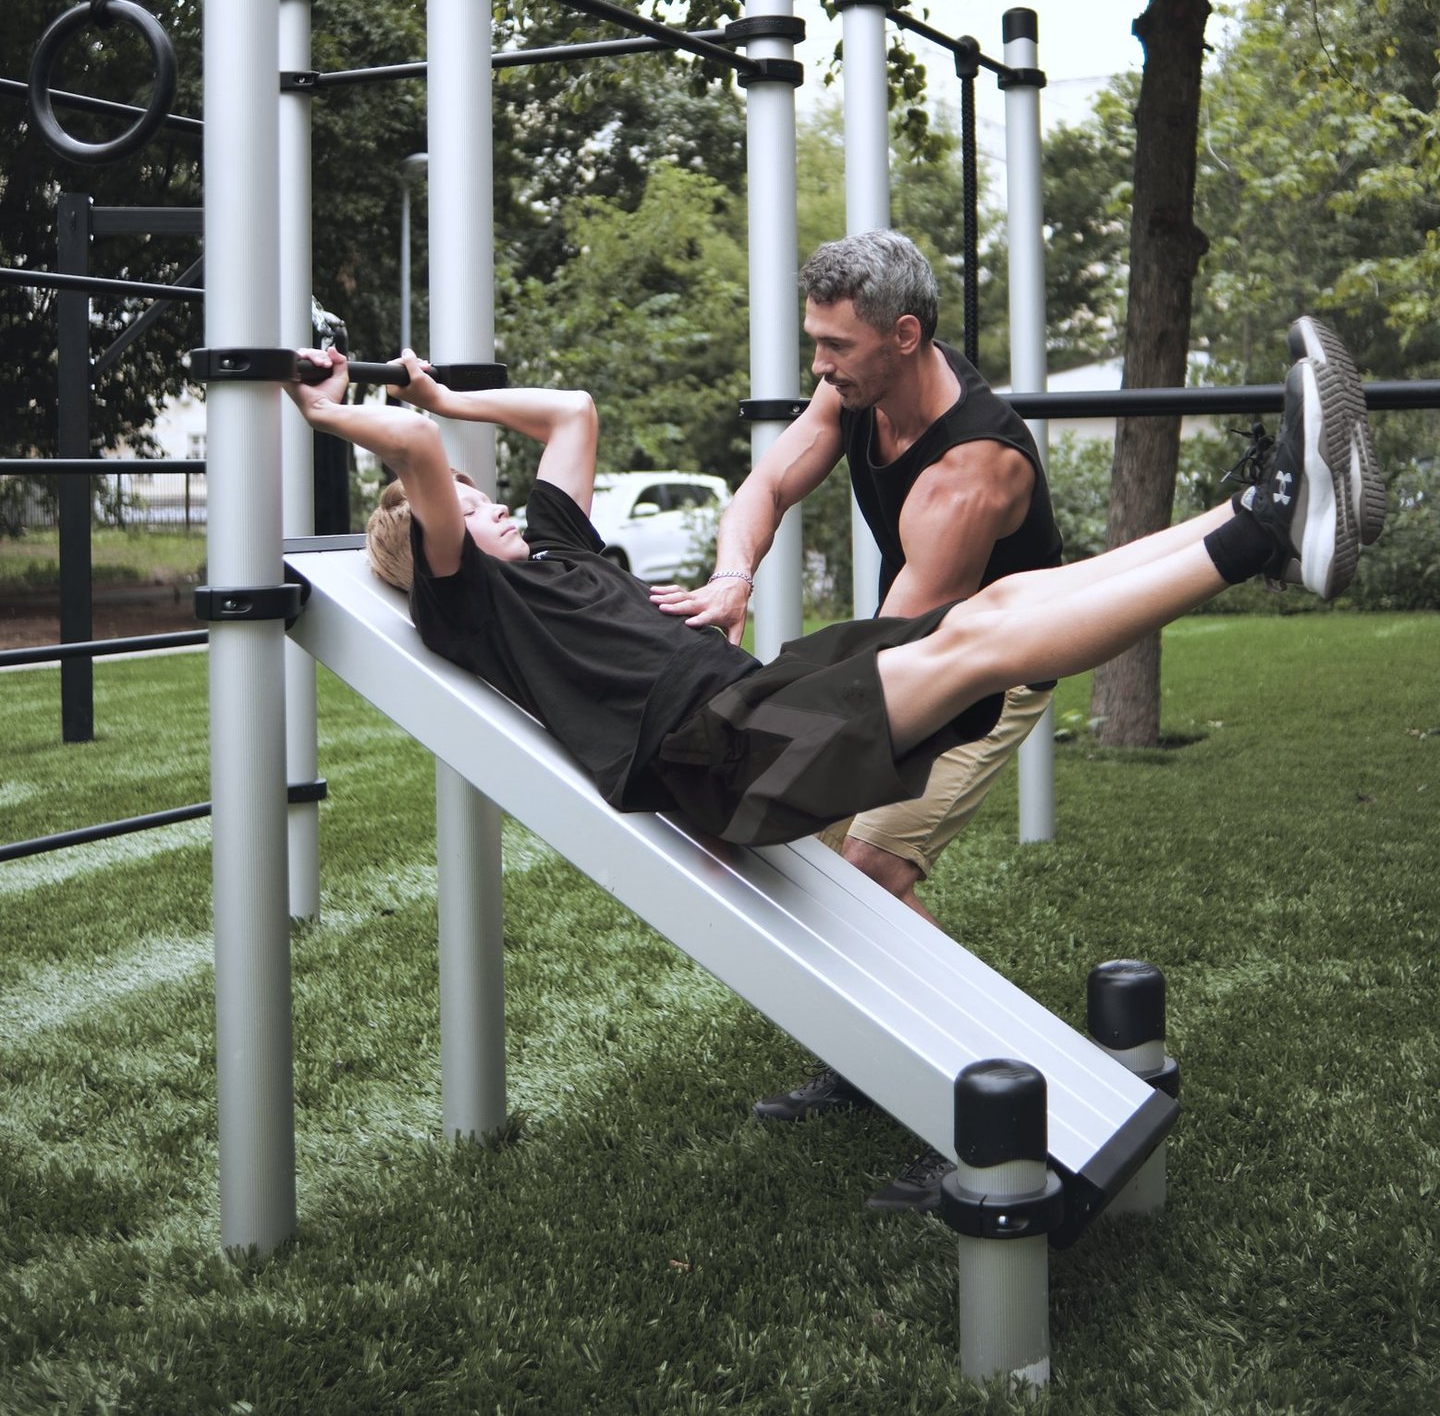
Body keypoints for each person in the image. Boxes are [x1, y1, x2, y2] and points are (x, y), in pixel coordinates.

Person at [285, 316, 1383, 887]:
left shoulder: (559, 549)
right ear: (441, 539)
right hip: (714, 759)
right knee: (983, 642)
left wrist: (445, 391)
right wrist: (342, 413)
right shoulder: (467, 599)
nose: (494, 505)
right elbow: (422, 457)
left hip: (752, 699)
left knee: (1001, 605)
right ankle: (1264, 529)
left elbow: (573, 412)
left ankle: (1270, 507)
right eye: (473, 506)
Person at [649, 230, 1065, 1205]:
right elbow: (767, 483)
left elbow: (899, 660)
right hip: (915, 650)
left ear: (906, 334)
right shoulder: (856, 392)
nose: (820, 366)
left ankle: (1004, 1097)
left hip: (986, 674)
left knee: (866, 878)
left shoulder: (975, 470)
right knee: (834, 860)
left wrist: (766, 756)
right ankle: (875, 1059)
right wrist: (734, 573)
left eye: (837, 346)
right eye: (817, 342)